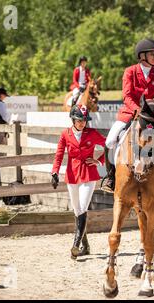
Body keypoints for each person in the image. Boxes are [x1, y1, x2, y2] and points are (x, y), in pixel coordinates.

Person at [101, 38, 154, 193]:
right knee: (110, 140)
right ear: (142, 55)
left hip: (153, 117)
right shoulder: (130, 72)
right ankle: (110, 178)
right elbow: (126, 96)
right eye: (153, 53)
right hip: (130, 113)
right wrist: (138, 111)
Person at [51, 105, 106, 259]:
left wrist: (99, 161)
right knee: (77, 211)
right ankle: (86, 246)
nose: (82, 123)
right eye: (79, 120)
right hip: (72, 175)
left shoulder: (92, 133)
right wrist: (54, 171)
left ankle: (76, 245)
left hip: (88, 174)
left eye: (84, 121)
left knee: (82, 207)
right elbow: (59, 154)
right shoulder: (65, 134)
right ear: (73, 119)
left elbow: (110, 145)